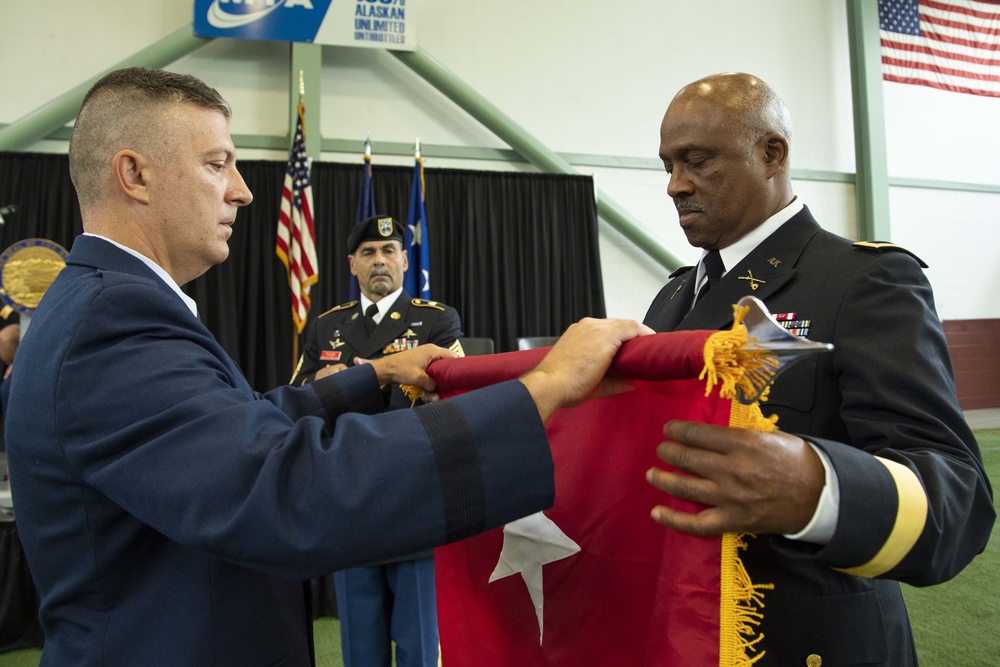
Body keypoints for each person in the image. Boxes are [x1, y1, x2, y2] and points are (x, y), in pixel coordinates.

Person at [4, 66, 649, 667]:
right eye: (217, 163)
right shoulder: (113, 323)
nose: (243, 190)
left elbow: (230, 429)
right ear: (135, 175)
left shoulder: (106, 304)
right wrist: (544, 387)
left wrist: (377, 374)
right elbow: (280, 485)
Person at [643, 72, 995, 666]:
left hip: (807, 641)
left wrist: (820, 489)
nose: (676, 185)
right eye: (669, 165)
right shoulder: (673, 298)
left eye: (698, 161)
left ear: (771, 153)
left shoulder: (863, 282)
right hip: (688, 627)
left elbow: (958, 502)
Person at [291, 215, 463, 667]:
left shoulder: (436, 322)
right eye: (368, 253)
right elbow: (297, 399)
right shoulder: (327, 326)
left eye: (389, 252)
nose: (379, 260)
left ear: (406, 261)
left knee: (417, 650)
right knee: (360, 652)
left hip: (414, 497)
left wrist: (353, 383)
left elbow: (451, 400)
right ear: (352, 264)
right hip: (351, 499)